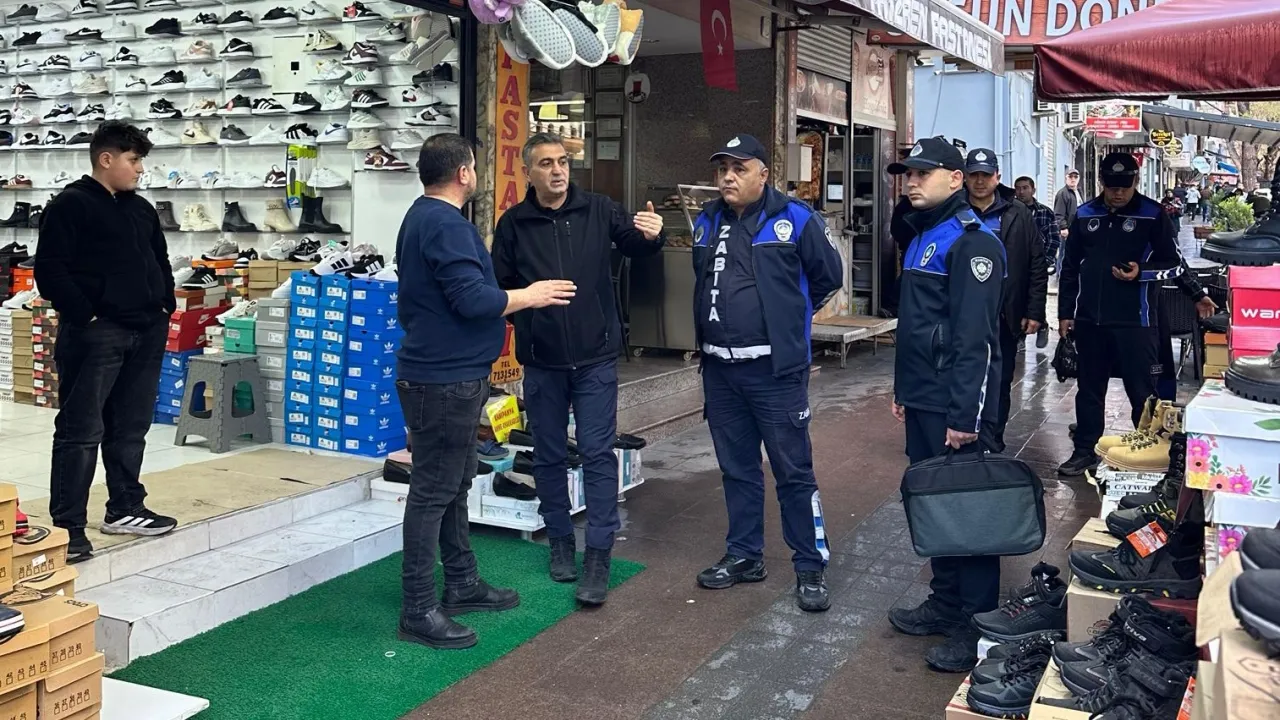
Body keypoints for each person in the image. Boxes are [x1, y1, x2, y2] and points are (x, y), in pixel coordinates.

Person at [394, 134, 577, 649]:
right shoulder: (446, 224)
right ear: (464, 173)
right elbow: (473, 300)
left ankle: (461, 582)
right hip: (442, 378)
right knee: (434, 491)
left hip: (446, 373)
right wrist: (531, 295)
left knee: (453, 485)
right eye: (474, 166)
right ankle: (418, 608)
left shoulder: (421, 217)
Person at [491, 132, 665, 606]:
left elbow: (636, 245)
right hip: (542, 360)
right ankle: (561, 543)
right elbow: (500, 289)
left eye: (563, 162)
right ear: (528, 172)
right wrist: (526, 306)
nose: (557, 170)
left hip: (594, 358)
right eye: (546, 163)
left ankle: (599, 555)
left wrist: (653, 234)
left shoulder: (599, 209)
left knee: (597, 452)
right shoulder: (514, 224)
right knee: (548, 456)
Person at [689, 133, 843, 612]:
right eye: (722, 169)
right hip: (720, 370)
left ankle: (810, 565)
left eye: (739, 168)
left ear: (763, 173)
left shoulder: (796, 219)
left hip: (775, 373)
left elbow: (829, 277)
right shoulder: (706, 220)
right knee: (736, 469)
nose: (728, 177)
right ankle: (744, 555)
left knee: (793, 472)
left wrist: (788, 319)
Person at [885, 136, 1006, 673]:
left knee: (967, 512)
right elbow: (916, 327)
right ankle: (945, 601)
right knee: (935, 504)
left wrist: (965, 417)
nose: (911, 182)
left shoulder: (972, 242)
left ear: (955, 179)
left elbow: (975, 340)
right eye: (907, 174)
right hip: (924, 397)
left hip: (957, 406)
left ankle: (975, 622)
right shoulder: (923, 236)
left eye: (922, 173)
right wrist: (904, 390)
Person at [33, 121, 178, 563]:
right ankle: (68, 528)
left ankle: (125, 507)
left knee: (131, 427)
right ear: (106, 158)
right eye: (134, 160)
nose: (140, 169)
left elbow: (160, 260)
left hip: (146, 330)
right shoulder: (70, 205)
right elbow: (50, 271)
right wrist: (88, 316)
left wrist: (165, 307)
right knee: (81, 432)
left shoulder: (141, 209)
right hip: (96, 334)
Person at [1057, 152, 1184, 476]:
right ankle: (1085, 450)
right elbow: (1069, 267)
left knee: (1142, 392)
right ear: (1101, 181)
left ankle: (1150, 452)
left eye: (1125, 186)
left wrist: (1142, 272)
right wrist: (1065, 312)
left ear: (1135, 181)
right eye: (1112, 185)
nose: (1118, 192)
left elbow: (1174, 264)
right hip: (1090, 319)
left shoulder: (1152, 214)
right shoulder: (1085, 214)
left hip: (1135, 321)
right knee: (1089, 390)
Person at [964, 153, 1046, 453]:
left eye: (986, 175)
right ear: (964, 177)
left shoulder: (1017, 212)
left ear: (997, 177)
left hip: (1004, 313)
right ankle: (962, 434)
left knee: (999, 379)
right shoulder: (955, 210)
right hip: (963, 313)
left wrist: (1034, 311)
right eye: (974, 175)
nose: (980, 181)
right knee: (963, 375)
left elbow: (1036, 262)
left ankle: (992, 439)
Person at [1013, 175, 1058, 349]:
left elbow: (1053, 239)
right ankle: (1019, 335)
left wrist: (1045, 261)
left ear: (1033, 190)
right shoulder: (1011, 211)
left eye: (1025, 188)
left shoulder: (1045, 212)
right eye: (1018, 188)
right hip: (1018, 264)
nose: (1021, 192)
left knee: (1037, 297)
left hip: (1038, 263)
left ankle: (1042, 325)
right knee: (1017, 299)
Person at [1053, 168, 1085, 272]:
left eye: (1075, 177)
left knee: (1074, 254)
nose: (1073, 179)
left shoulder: (1078, 191)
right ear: (1066, 178)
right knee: (1063, 255)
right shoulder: (1063, 194)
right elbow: (1058, 213)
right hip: (1067, 230)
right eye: (1070, 177)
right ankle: (1060, 275)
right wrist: (1063, 227)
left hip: (1078, 229)